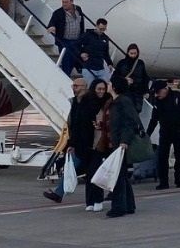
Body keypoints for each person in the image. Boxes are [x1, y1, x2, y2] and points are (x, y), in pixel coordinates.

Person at [147, 80, 180, 189]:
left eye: (158, 92)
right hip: (165, 132)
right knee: (162, 157)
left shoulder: (177, 97)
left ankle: (178, 179)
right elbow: (153, 119)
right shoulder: (157, 101)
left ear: (165, 89)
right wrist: (148, 134)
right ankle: (163, 182)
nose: (157, 95)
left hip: (179, 130)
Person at [43, 76, 88, 202]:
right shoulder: (75, 103)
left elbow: (81, 126)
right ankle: (59, 193)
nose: (73, 88)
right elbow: (72, 125)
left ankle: (59, 193)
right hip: (78, 142)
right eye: (73, 86)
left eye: (76, 86)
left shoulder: (87, 103)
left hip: (85, 143)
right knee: (71, 167)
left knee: (74, 167)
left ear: (84, 88)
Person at [103, 78, 143, 218]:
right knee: (122, 176)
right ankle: (129, 205)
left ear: (113, 86)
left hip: (120, 144)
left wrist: (124, 140)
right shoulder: (114, 102)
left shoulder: (122, 101)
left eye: (109, 83)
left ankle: (118, 207)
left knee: (117, 177)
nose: (107, 85)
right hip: (114, 142)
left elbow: (129, 122)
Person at [72, 79, 112, 211]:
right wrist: (72, 143)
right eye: (99, 89)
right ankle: (90, 201)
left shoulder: (108, 102)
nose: (101, 92)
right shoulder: (85, 102)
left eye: (103, 89)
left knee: (96, 172)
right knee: (89, 173)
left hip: (100, 143)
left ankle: (98, 199)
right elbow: (76, 123)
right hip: (86, 143)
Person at [47, 0, 90, 77]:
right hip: (64, 41)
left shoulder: (78, 9)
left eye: (66, 2)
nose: (64, 4)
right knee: (66, 59)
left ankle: (69, 75)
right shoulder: (58, 13)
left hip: (77, 41)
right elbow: (52, 22)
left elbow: (81, 22)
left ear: (72, 2)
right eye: (63, 2)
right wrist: (52, 27)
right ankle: (66, 77)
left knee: (74, 59)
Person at [78, 19, 113, 85]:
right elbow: (77, 45)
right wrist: (81, 53)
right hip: (88, 67)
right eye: (101, 29)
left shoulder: (105, 38)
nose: (102, 31)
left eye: (104, 29)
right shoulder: (87, 35)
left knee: (105, 86)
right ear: (96, 26)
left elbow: (106, 53)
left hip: (100, 67)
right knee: (90, 87)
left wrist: (109, 63)